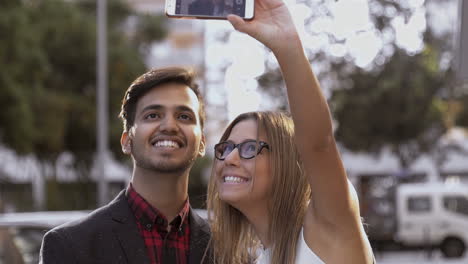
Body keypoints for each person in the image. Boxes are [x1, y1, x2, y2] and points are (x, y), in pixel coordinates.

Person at [206, 0, 375, 263]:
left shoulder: (326, 227)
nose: (229, 159)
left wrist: (286, 46)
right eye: (225, 148)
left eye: (250, 148)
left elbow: (319, 144)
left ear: (289, 163)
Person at [40, 67, 212, 264]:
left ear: (202, 144)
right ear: (126, 141)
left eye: (184, 116)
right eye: (153, 115)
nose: (169, 126)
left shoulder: (226, 250)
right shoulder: (70, 245)